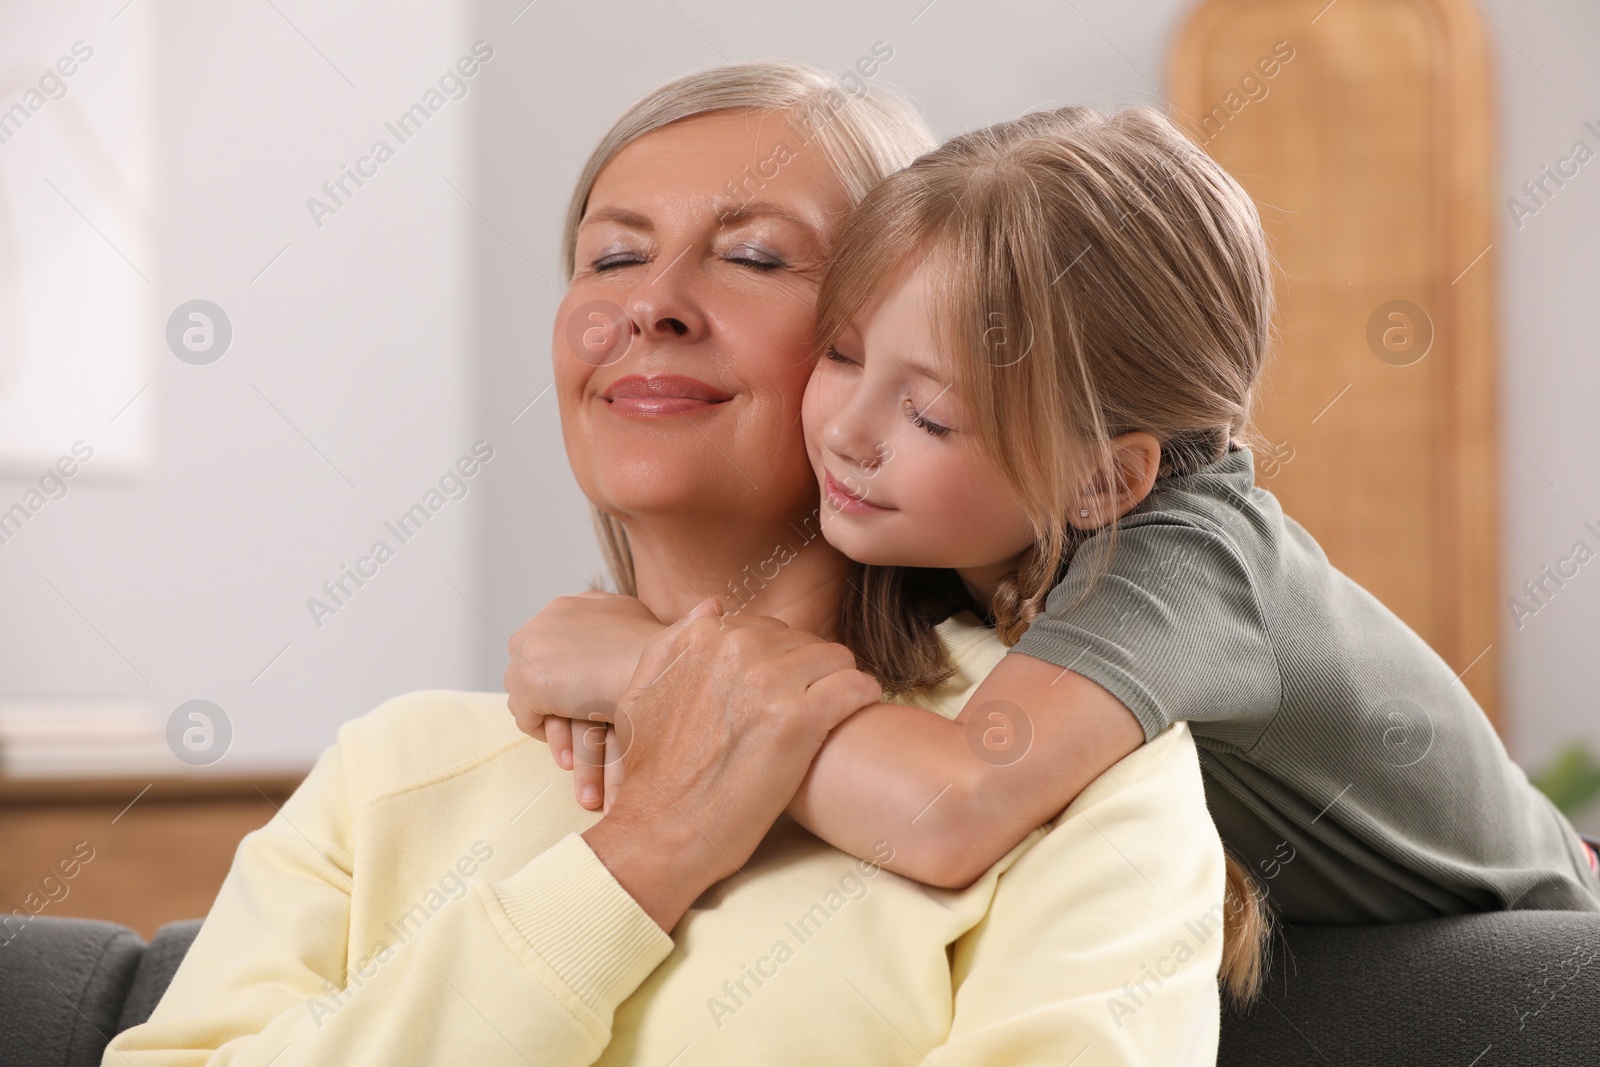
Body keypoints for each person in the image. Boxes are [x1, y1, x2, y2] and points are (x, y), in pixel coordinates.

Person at [107, 64, 1235, 1066]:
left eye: (753, 255)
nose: (646, 302)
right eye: (612, 254)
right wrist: (640, 851)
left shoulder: (1073, 773)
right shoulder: (389, 773)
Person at [521, 103, 1600, 932]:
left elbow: (944, 811)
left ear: (1102, 480)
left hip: (1530, 960)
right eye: (843, 355)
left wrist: (650, 663)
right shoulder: (980, 530)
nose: (848, 429)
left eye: (931, 413)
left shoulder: (1179, 564)